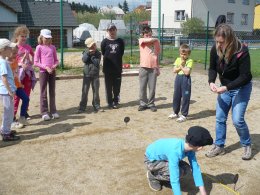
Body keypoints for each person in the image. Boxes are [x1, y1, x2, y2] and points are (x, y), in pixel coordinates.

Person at [206, 24, 253, 160]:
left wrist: (226, 87)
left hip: (241, 87)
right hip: (225, 86)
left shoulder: (242, 51)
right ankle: (219, 146)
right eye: (217, 41)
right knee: (220, 118)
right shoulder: (216, 48)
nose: (219, 44)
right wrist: (211, 82)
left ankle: (246, 144)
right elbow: (212, 68)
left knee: (237, 120)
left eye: (221, 42)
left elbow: (245, 76)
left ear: (230, 39)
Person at [144, 126, 212, 195]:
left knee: (186, 169)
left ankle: (163, 174)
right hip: (151, 160)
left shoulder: (189, 148)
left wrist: (203, 192)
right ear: (199, 148)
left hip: (165, 158)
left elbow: (195, 168)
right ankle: (153, 176)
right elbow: (174, 177)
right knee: (178, 172)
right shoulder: (175, 151)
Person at [34, 29, 59, 121]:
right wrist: (46, 67)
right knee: (43, 92)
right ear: (41, 37)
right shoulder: (39, 47)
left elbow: (56, 60)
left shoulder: (53, 47)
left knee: (52, 91)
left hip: (52, 72)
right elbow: (36, 62)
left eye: (49, 38)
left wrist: (54, 66)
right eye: (46, 38)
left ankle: (53, 111)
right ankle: (44, 112)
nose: (47, 40)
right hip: (43, 72)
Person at [12, 25, 36, 120]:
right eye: (22, 36)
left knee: (27, 94)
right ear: (17, 36)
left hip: (27, 75)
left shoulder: (28, 47)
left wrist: (31, 62)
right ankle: (13, 115)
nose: (24, 38)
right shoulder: (13, 47)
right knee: (17, 96)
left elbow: (33, 56)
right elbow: (10, 61)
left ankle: (24, 112)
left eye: (25, 36)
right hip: (17, 75)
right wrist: (21, 64)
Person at [101, 23, 125, 109]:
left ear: (116, 30)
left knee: (117, 87)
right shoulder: (104, 42)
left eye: (113, 29)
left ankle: (116, 101)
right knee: (108, 87)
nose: (112, 31)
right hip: (107, 69)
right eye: (110, 30)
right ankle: (110, 102)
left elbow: (121, 52)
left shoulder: (120, 41)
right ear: (107, 31)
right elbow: (103, 52)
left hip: (117, 68)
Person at [0, 39, 20, 141]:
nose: (11, 49)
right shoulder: (3, 62)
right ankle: (6, 133)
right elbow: (4, 78)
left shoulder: (3, 60)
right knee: (9, 112)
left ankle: (5, 129)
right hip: (6, 92)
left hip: (5, 91)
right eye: (9, 48)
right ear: (3, 50)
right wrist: (9, 91)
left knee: (8, 111)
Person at [168, 44, 193, 122]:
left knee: (185, 97)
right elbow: (174, 70)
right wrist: (181, 66)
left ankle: (184, 115)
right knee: (176, 96)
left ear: (188, 54)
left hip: (186, 80)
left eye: (185, 54)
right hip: (178, 78)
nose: (182, 56)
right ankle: (175, 112)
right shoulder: (178, 59)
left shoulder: (190, 61)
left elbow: (187, 72)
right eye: (181, 54)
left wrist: (181, 66)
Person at [138, 26, 160, 112]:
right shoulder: (141, 40)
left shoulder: (155, 42)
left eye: (150, 34)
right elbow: (148, 40)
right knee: (142, 87)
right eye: (146, 35)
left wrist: (158, 67)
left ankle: (151, 103)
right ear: (143, 35)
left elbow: (157, 54)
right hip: (143, 67)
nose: (148, 36)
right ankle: (143, 103)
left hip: (153, 68)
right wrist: (155, 39)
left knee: (152, 87)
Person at [78, 37, 103, 113]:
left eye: (93, 45)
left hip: (95, 75)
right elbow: (84, 60)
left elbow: (97, 63)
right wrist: (89, 54)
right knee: (85, 91)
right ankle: (82, 107)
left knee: (96, 91)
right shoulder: (86, 52)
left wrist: (92, 56)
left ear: (95, 45)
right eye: (90, 46)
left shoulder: (98, 53)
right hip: (87, 75)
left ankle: (96, 106)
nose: (92, 47)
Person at [9, 46, 30, 128]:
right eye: (14, 53)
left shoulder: (15, 61)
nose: (15, 55)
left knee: (26, 98)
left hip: (17, 85)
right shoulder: (5, 62)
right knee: (11, 104)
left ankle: (22, 117)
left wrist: (19, 83)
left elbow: (16, 74)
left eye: (16, 53)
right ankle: (11, 121)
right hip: (10, 87)